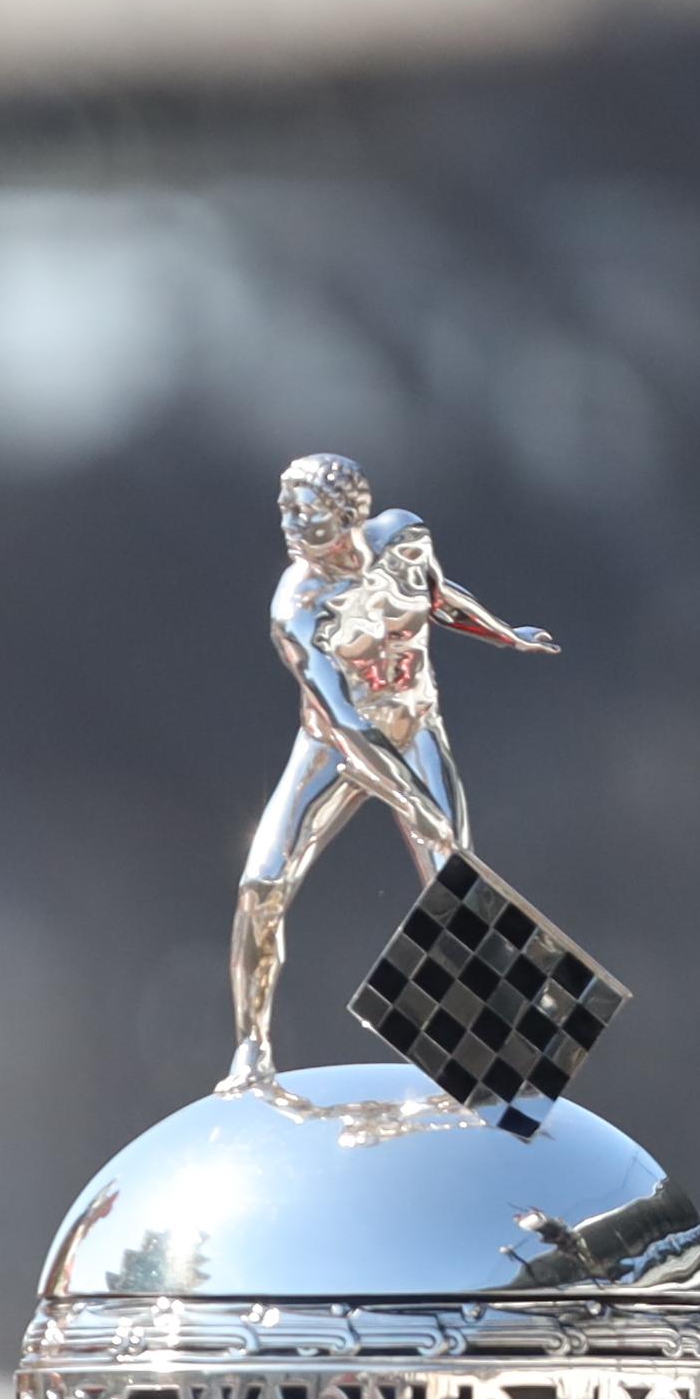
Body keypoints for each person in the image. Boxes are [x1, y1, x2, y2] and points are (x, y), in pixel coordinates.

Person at [222, 449, 554, 1094]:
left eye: (305, 510)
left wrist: (506, 634)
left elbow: (437, 599)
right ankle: (251, 1049)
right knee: (260, 885)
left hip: (414, 724)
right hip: (334, 746)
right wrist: (410, 797)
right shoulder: (297, 606)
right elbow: (342, 718)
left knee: (455, 874)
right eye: (284, 508)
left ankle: (497, 1047)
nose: (289, 521)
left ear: (348, 515)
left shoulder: (405, 541)